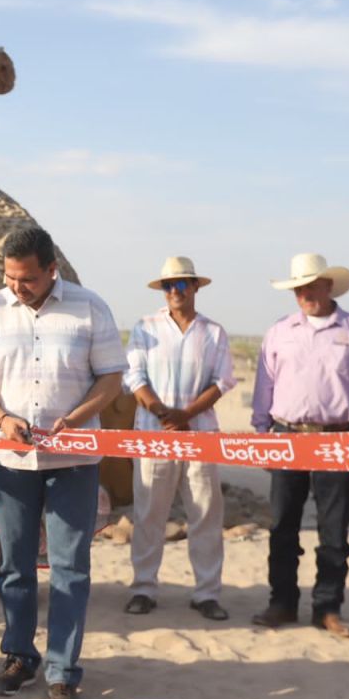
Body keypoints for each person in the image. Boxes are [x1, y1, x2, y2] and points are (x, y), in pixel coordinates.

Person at [0, 225, 126, 699]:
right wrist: (1, 419)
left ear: (51, 269)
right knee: (14, 565)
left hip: (73, 461)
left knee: (70, 567)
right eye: (11, 278)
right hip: (10, 460)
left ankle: (62, 672)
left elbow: (112, 376)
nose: (17, 287)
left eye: (28, 278)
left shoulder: (90, 306)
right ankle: (19, 658)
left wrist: (75, 418)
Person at [251, 253, 349, 639]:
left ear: (329, 286)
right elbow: (265, 386)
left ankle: (328, 608)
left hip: (338, 439)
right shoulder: (279, 331)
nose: (306, 293)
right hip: (287, 436)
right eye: (299, 288)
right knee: (282, 526)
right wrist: (262, 434)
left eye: (313, 285)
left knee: (334, 531)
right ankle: (281, 602)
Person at [123, 257, 236, 621]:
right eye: (169, 285)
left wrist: (186, 415)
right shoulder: (146, 327)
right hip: (154, 433)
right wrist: (161, 412)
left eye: (181, 284)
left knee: (205, 512)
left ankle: (206, 592)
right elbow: (134, 376)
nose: (175, 291)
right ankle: (143, 587)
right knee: (148, 513)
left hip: (199, 434)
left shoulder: (213, 332)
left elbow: (222, 381)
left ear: (195, 287)